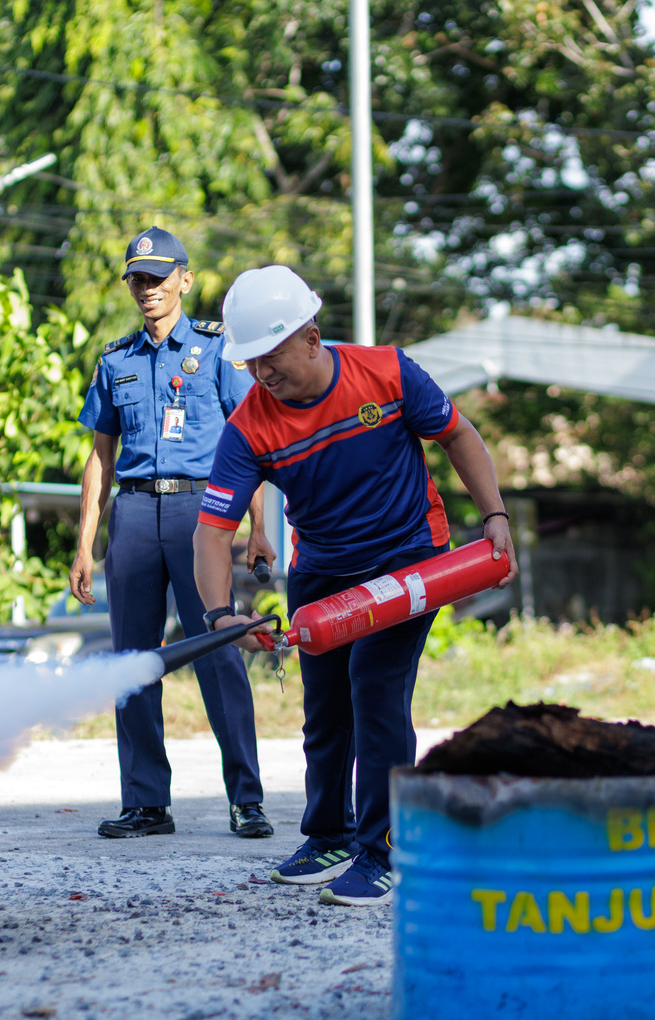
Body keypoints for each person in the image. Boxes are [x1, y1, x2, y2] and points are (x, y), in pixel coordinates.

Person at [193, 265, 517, 906]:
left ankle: (387, 850)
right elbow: (211, 531)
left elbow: (457, 434)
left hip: (407, 560)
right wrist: (220, 615)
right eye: (250, 361)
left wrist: (495, 515)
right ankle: (330, 836)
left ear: (312, 338)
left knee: (374, 687)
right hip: (322, 565)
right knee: (325, 706)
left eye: (271, 355)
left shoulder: (388, 373)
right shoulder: (249, 427)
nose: (260, 372)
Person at [72, 227, 276, 840]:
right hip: (133, 514)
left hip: (200, 513)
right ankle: (146, 803)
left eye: (158, 278)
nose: (148, 289)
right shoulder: (116, 360)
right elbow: (100, 458)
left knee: (218, 649)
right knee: (132, 662)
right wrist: (84, 545)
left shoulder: (217, 351)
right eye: (137, 279)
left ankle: (246, 799)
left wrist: (259, 526)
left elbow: (250, 440)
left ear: (184, 280)